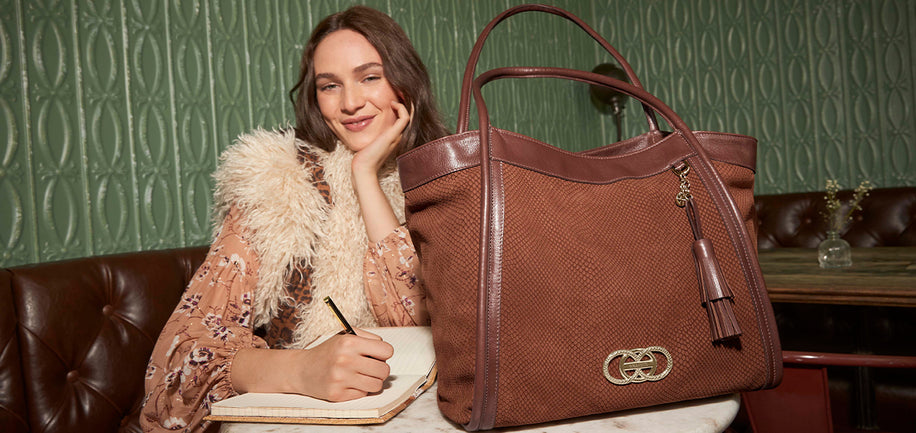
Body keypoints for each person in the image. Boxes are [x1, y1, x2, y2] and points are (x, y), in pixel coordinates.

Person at [140, 6, 448, 432]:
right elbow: (181, 360)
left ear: (406, 81)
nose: (351, 102)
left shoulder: (446, 182)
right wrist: (301, 370)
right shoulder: (277, 182)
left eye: (370, 76)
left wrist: (365, 175)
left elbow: (419, 323)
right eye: (330, 86)